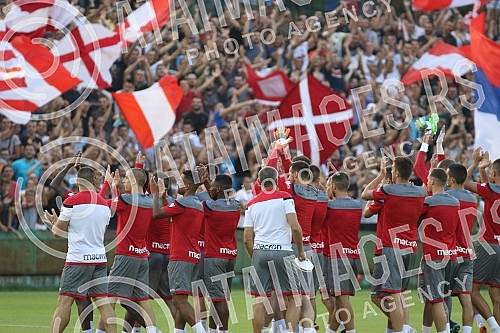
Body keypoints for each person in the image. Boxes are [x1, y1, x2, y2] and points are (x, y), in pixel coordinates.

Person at [44, 167, 116, 333]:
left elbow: (56, 232)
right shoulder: (104, 204)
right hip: (99, 258)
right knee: (103, 303)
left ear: (77, 181)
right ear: (93, 181)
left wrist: (53, 222)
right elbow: (95, 231)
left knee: (64, 301)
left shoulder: (71, 201)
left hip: (78, 259)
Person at [361, 157, 426, 333]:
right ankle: (400, 328)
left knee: (392, 293)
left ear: (396, 173)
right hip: (411, 246)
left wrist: (381, 175)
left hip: (391, 246)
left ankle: (403, 330)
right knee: (398, 293)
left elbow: (365, 194)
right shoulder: (420, 192)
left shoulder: (388, 190)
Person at [243, 166, 305, 333]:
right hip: (283, 251)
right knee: (294, 298)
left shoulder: (251, 204)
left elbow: (247, 239)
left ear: (259, 182)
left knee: (260, 298)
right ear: (277, 181)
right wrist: (300, 252)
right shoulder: (285, 198)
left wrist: (255, 257)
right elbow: (296, 228)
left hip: (260, 251)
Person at [97, 168, 159, 333]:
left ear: (133, 180)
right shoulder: (148, 201)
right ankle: (153, 331)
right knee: (142, 300)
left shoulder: (126, 200)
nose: (123, 180)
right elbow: (122, 204)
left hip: (126, 255)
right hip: (142, 256)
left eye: (125, 177)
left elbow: (102, 204)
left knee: (109, 298)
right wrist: (116, 188)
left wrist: (109, 185)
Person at [150, 170, 207, 333]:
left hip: (180, 257)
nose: (177, 185)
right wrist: (162, 197)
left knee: (179, 300)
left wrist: (154, 194)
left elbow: (157, 214)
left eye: (180, 182)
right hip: (193, 256)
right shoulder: (196, 204)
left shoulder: (182, 203)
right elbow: (172, 215)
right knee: (183, 299)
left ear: (187, 186)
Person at [418, 168, 460, 333]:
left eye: (428, 179)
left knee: (435, 299)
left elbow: (412, 217)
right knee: (436, 297)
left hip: (433, 257)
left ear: (433, 181)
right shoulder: (455, 202)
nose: (427, 181)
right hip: (451, 255)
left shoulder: (428, 202)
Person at [465, 150, 500, 333]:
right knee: (496, 294)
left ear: (495, 174)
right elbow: (488, 190)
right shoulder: (491, 190)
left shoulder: (490, 190)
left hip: (488, 244)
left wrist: (475, 164)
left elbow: (463, 182)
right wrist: (484, 170)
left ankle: (493, 326)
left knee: (471, 289)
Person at [202, 174, 241, 333]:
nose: (209, 188)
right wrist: (206, 182)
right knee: (219, 297)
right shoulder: (236, 205)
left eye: (212, 187)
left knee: (219, 299)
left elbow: (209, 200)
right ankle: (213, 330)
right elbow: (215, 196)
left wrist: (201, 182)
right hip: (230, 255)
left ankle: (224, 330)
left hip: (214, 256)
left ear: (218, 189)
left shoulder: (209, 207)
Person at [325, 172, 362, 333]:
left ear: (333, 186)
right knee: (341, 300)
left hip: (338, 258)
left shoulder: (330, 207)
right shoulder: (357, 205)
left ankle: (351, 331)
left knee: (341, 299)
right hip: (353, 255)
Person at [446, 163, 477, 333]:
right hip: (467, 252)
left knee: (444, 295)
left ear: (451, 179)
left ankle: (446, 328)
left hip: (451, 252)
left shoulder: (447, 197)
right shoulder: (472, 199)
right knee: (466, 299)